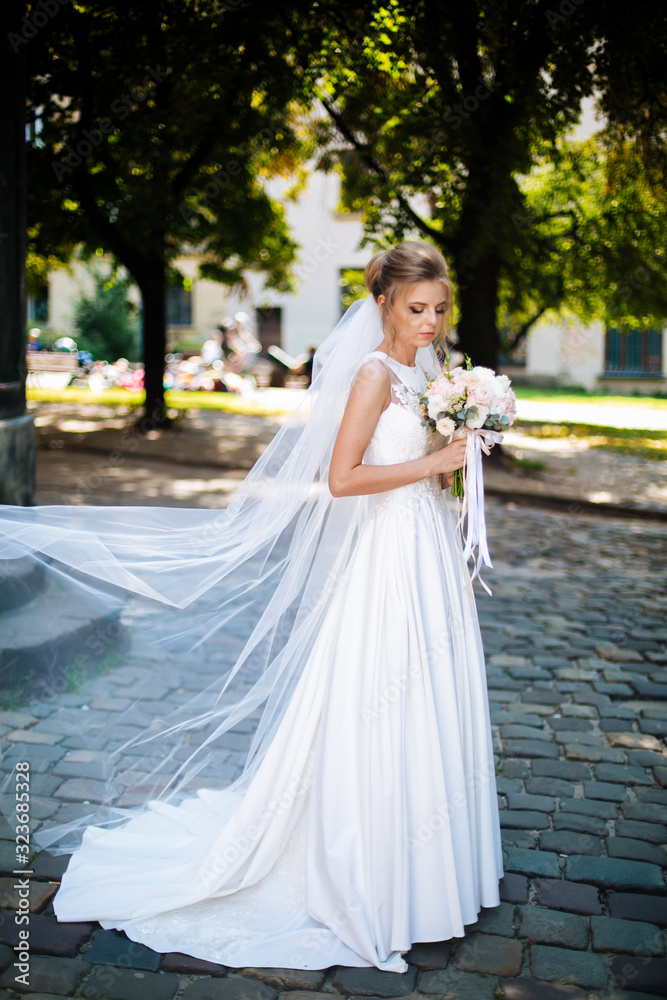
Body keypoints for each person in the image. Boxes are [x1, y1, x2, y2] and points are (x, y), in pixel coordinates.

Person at [1, 241, 503, 973]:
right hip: (383, 561)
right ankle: (369, 872)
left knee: (429, 696)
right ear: (382, 305)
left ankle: (432, 874)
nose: (429, 322)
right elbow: (341, 478)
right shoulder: (369, 375)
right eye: (415, 308)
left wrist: (456, 456)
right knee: (377, 698)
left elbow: (426, 470)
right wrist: (434, 461)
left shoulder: (429, 372)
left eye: (438, 309)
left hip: (422, 548)